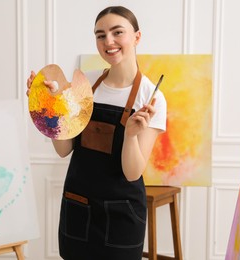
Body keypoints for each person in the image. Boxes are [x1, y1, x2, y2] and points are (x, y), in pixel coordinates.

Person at [27, 6, 167, 260]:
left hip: (122, 215)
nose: (108, 41)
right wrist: (49, 108)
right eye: (100, 35)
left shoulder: (151, 96)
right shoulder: (84, 85)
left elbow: (132, 172)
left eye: (117, 32)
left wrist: (131, 135)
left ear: (136, 37)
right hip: (78, 205)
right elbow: (63, 149)